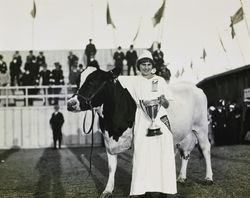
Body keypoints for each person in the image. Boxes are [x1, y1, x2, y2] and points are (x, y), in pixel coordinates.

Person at [129, 50, 177, 197]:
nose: (146, 67)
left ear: (152, 65)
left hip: (160, 120)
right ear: (139, 66)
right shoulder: (134, 81)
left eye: (148, 64)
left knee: (163, 153)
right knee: (143, 154)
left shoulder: (160, 80)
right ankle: (143, 189)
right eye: (143, 64)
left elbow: (168, 104)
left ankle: (165, 189)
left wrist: (163, 100)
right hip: (142, 120)